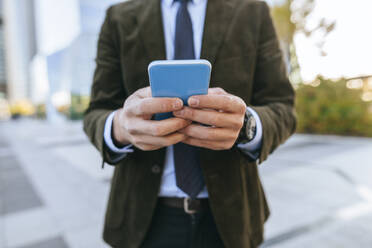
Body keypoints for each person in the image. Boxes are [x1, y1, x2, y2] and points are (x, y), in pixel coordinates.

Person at [83, 0, 296, 247]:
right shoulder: (117, 17)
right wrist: (120, 126)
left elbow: (283, 108)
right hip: (142, 220)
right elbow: (96, 112)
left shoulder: (252, 10)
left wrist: (247, 125)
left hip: (232, 218)